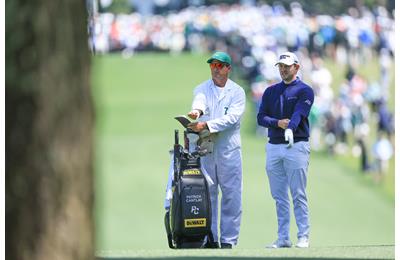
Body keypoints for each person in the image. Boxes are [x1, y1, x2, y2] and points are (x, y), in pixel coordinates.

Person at [186, 51, 246, 249]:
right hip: (207, 148)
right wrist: (196, 113)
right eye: (212, 65)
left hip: (229, 149)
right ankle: (209, 237)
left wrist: (206, 125)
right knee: (208, 193)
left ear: (228, 68)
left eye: (220, 66)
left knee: (231, 194)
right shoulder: (202, 88)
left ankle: (228, 240)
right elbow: (199, 102)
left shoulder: (237, 92)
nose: (215, 69)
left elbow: (232, 119)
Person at [257, 52, 314, 248]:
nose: (283, 69)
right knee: (279, 196)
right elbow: (261, 117)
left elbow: (300, 112)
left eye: (287, 66)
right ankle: (283, 238)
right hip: (273, 146)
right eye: (280, 66)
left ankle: (303, 236)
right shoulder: (270, 91)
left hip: (296, 145)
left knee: (298, 193)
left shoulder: (305, 90)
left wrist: (290, 128)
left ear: (296, 68)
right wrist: (278, 124)